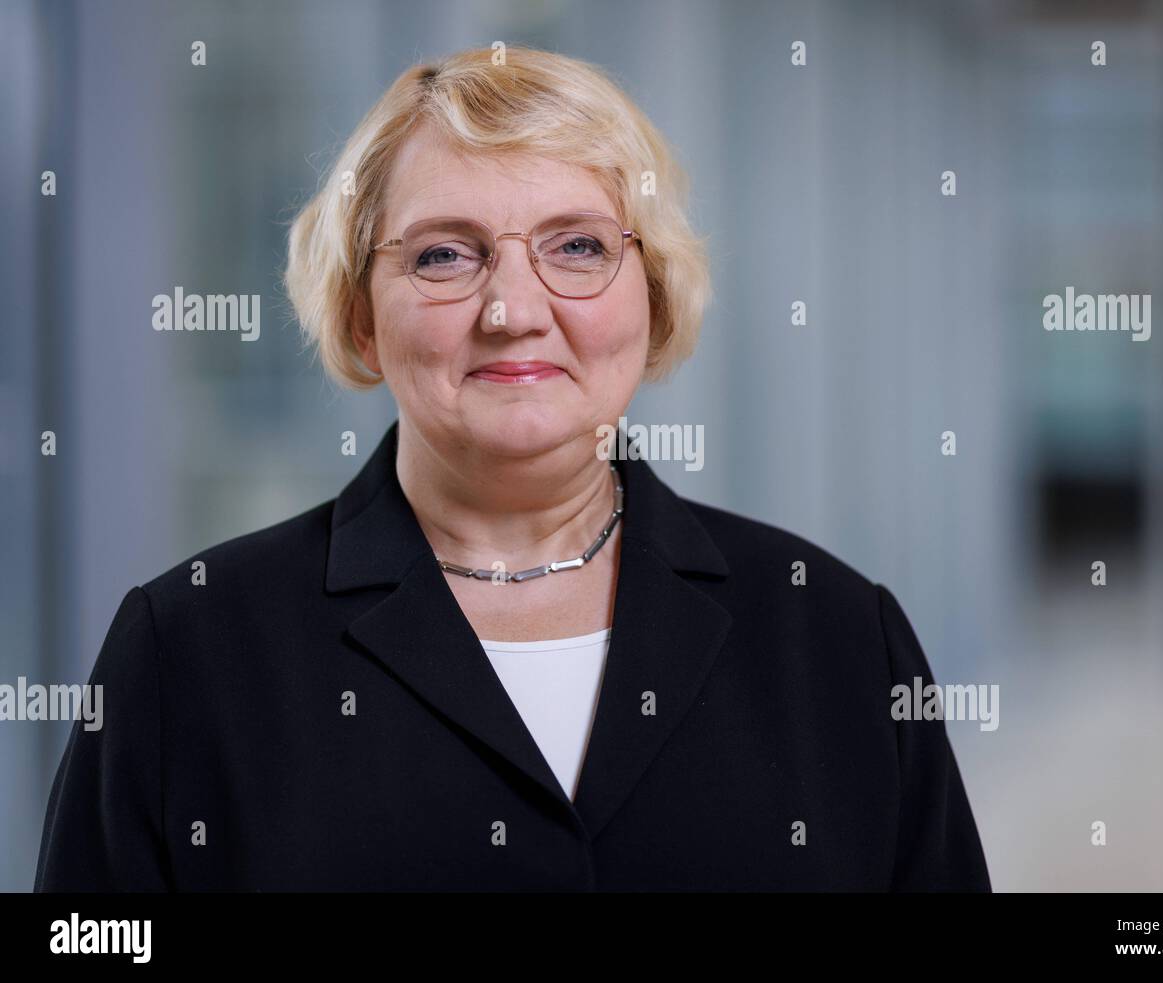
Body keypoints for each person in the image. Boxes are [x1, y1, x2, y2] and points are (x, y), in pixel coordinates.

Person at [34, 46, 990, 891]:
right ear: (362, 314)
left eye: (577, 247)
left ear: (651, 299)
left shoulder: (836, 636)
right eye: (447, 255)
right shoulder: (189, 651)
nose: (513, 309)